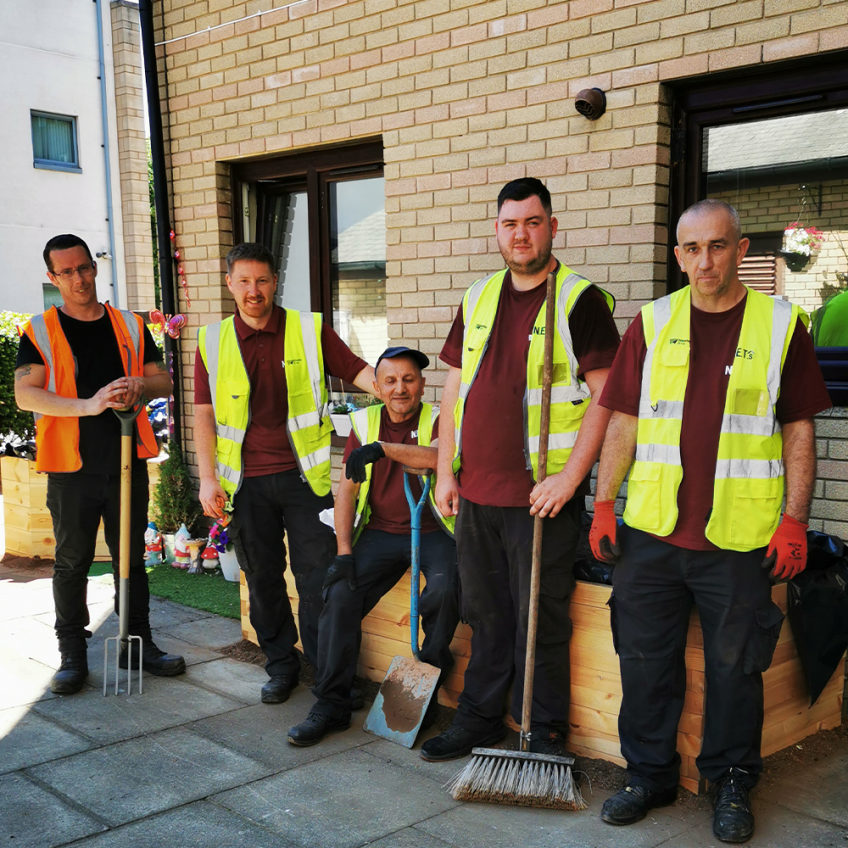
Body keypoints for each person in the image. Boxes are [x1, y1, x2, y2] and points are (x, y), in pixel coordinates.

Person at [590, 199, 832, 844]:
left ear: (742, 249)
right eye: (692, 249)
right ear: (677, 255)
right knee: (644, 661)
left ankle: (730, 781)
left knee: (736, 668)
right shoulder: (654, 320)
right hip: (651, 532)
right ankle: (647, 777)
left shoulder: (782, 325)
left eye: (718, 247)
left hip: (740, 537)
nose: (705, 261)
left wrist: (794, 520)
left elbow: (797, 427)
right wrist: (604, 502)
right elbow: (625, 420)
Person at [421, 177, 621, 762]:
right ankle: (481, 718)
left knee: (543, 621)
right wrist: (445, 470)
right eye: (510, 223)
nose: (521, 233)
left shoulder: (579, 299)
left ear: (551, 227)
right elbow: (454, 390)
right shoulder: (479, 297)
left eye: (532, 222)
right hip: (477, 492)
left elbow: (607, 401)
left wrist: (570, 479)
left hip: (542, 497)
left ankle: (542, 729)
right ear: (497, 230)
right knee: (486, 615)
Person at [194, 242, 376, 705]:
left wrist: (394, 388)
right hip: (244, 485)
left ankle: (329, 674)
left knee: (318, 578)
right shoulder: (212, 341)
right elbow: (202, 412)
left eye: (262, 280)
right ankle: (281, 666)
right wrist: (208, 479)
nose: (253, 291)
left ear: (275, 282)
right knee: (263, 579)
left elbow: (356, 370)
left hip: (304, 481)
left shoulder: (307, 329)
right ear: (229, 283)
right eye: (244, 281)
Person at [15, 233, 185, 694]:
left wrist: (139, 386)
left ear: (94, 267)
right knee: (73, 561)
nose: (79, 278)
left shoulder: (130, 325)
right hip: (71, 467)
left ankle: (138, 642)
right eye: (66, 271)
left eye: (84, 267)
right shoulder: (39, 330)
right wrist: (89, 405)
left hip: (126, 459)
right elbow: (25, 393)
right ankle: (72, 654)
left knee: (131, 557)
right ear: (52, 277)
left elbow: (164, 382)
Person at [287, 346, 459, 745]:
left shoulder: (439, 417)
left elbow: (437, 458)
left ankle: (425, 690)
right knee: (340, 596)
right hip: (380, 532)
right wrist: (344, 551)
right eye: (391, 381)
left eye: (409, 379)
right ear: (378, 387)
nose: (401, 388)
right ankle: (331, 703)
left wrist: (383, 449)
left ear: (422, 384)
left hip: (433, 530)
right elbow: (346, 489)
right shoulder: (364, 423)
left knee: (446, 592)